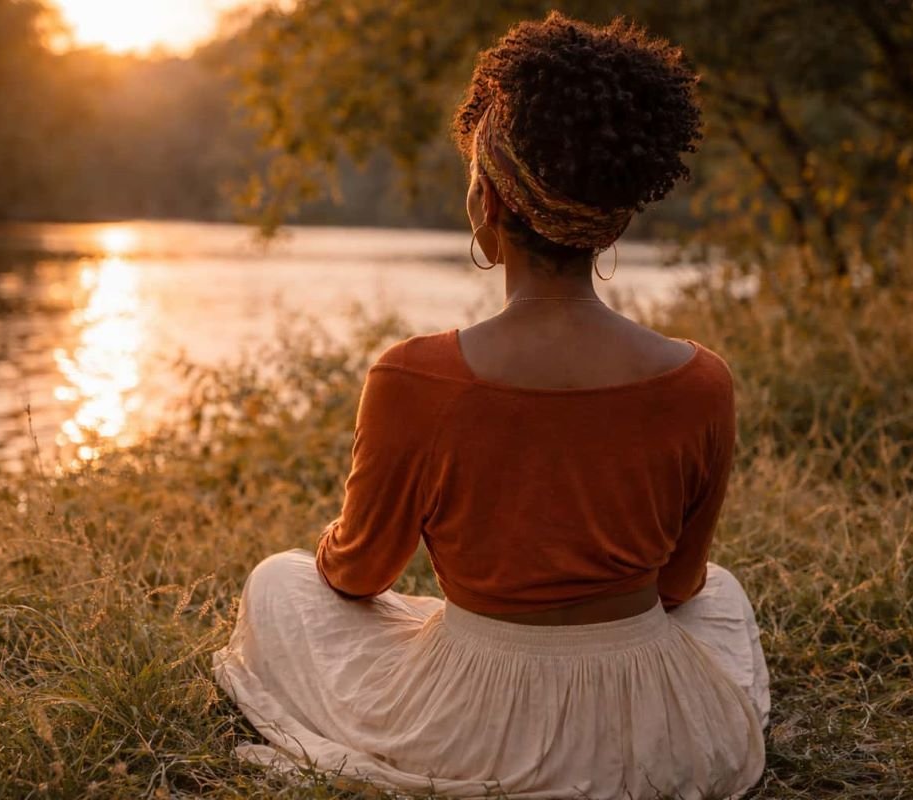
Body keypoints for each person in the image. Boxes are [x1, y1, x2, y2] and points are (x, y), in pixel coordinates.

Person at [213, 11, 769, 800]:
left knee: (279, 579)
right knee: (726, 591)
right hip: (652, 720)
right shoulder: (701, 380)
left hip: (475, 712)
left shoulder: (415, 376)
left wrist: (347, 555)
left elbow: (359, 572)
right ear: (613, 218)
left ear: (487, 203)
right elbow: (680, 587)